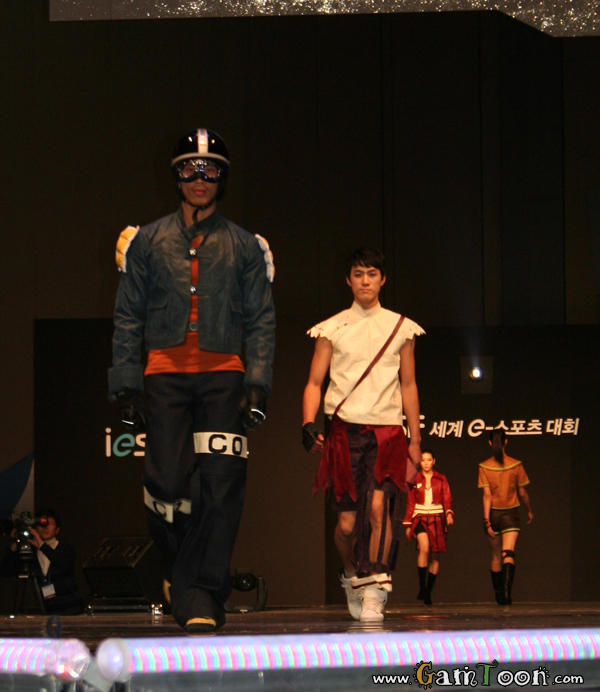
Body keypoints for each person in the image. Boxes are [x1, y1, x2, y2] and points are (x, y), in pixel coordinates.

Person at [108, 128, 276, 633]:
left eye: (210, 170)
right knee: (164, 485)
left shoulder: (245, 245)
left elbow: (261, 318)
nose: (199, 178)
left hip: (224, 377)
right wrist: (127, 384)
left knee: (221, 488)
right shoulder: (148, 241)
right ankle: (183, 574)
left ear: (223, 179)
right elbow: (128, 316)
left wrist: (258, 381)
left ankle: (201, 593)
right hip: (165, 376)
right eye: (189, 168)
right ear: (176, 176)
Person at [302, 247, 424, 622]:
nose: (365, 281)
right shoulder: (331, 328)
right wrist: (308, 422)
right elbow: (314, 382)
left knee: (378, 510)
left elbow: (408, 384)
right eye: (358, 274)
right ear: (348, 280)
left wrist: (415, 440)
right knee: (346, 526)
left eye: (372, 274)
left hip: (387, 432)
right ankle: (352, 575)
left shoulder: (401, 327)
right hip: (345, 432)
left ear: (382, 280)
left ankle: (374, 589)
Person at [478, 428, 534, 605]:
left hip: (493, 514)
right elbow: (523, 493)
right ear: (506, 441)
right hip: (511, 513)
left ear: (489, 443)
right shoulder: (516, 465)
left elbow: (487, 496)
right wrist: (529, 510)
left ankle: (499, 596)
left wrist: (486, 521)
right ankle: (507, 594)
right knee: (508, 553)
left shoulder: (484, 467)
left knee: (495, 556)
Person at [0, 509, 84, 615]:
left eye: (50, 524)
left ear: (57, 530)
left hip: (71, 610)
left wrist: (41, 545)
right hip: (48, 612)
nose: (45, 527)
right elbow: (6, 572)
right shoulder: (31, 552)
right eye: (41, 524)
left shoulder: (66, 549)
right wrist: (14, 545)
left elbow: (63, 564)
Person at [403, 449, 454, 606]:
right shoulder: (414, 479)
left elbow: (447, 498)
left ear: (434, 461)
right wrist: (407, 523)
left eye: (429, 460)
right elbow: (410, 502)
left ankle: (427, 592)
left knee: (435, 557)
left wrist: (449, 513)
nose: (426, 463)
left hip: (436, 518)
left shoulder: (441, 479)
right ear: (420, 462)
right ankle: (422, 587)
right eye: (423, 460)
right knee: (424, 549)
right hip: (419, 517)